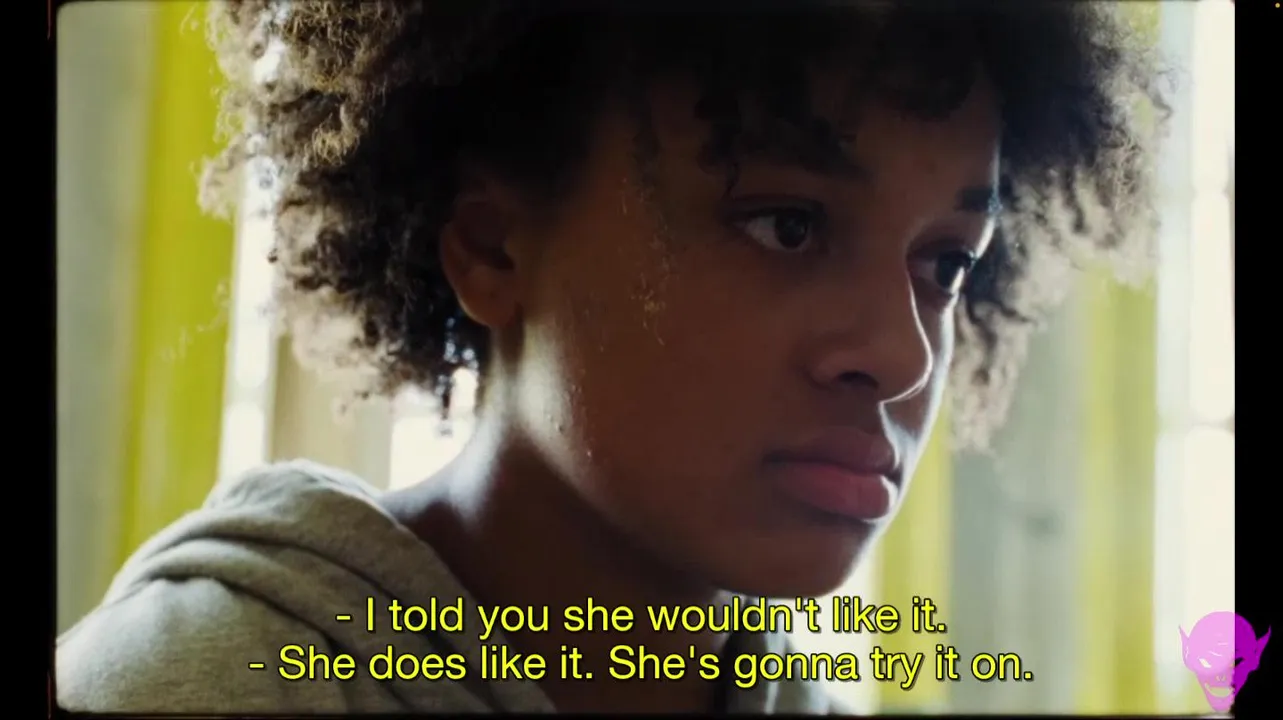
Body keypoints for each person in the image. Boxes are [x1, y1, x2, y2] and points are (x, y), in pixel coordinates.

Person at [56, 0, 1168, 713]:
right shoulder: (183, 689)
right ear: (493, 247)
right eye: (786, 225)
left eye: (945, 263)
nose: (900, 355)